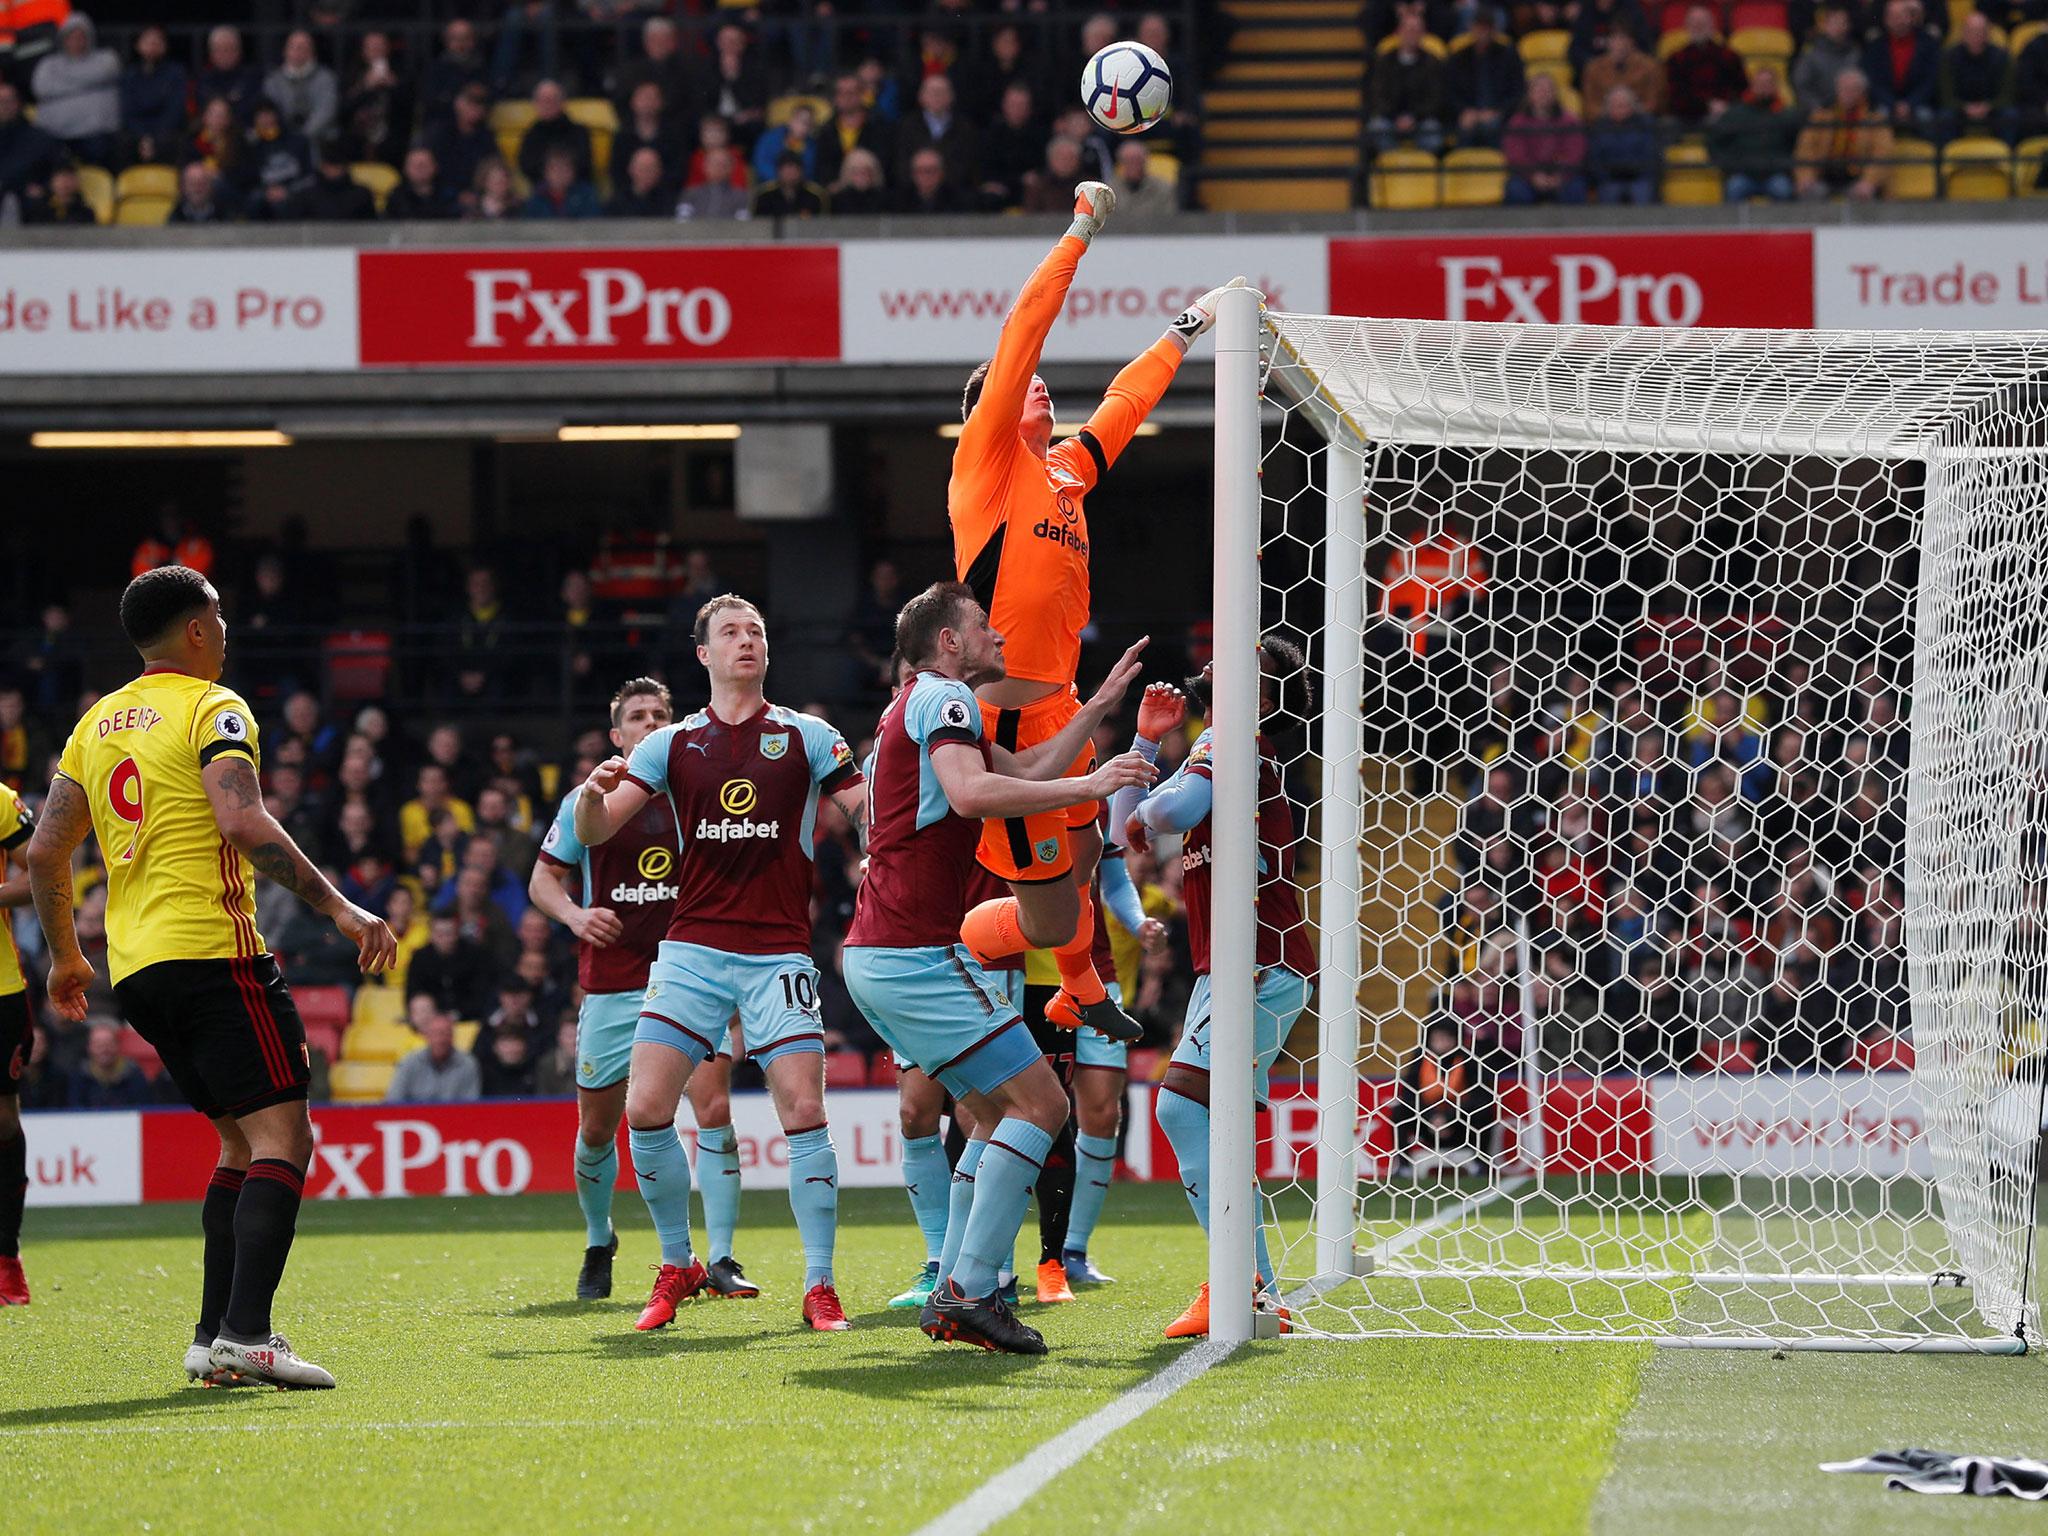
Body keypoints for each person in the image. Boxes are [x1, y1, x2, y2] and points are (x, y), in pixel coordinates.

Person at [28, 565, 396, 1390]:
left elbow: (48, 850)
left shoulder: (94, 724)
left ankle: (212, 1337)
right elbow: (240, 818)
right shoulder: (212, 708)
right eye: (220, 615)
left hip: (138, 968)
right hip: (212, 950)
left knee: (238, 1142)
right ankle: (249, 1334)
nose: (227, 629)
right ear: (196, 629)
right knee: (287, 1139)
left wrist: (65, 956)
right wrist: (342, 909)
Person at [948, 182, 1236, 1047]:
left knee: (1075, 875)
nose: (1037, 386)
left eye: (1041, 385)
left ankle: (1074, 992)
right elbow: (1023, 330)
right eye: (1021, 386)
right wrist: (1079, 232)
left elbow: (1123, 405)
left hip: (1064, 704)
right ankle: (965, 944)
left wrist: (1182, 330)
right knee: (1039, 917)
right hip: (1005, 713)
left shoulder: (1067, 472)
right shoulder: (986, 467)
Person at [844, 584, 1151, 1353]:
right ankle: (970, 1289)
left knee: (988, 1112)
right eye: (984, 625)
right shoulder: (945, 702)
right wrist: (1089, 785)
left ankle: (960, 1279)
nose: (1000, 636)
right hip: (913, 952)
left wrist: (1098, 709)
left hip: (885, 951)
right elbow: (976, 794)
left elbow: (1025, 766)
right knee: (1044, 1105)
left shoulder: (915, 709)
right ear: (948, 642)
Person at [571, 595, 871, 1334]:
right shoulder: (669, 743)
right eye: (732, 633)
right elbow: (597, 828)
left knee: (802, 1110)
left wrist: (890, 835)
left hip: (777, 952)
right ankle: (677, 1263)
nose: (747, 641)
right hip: (693, 950)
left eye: (757, 632)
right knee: (643, 1109)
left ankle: (820, 1285)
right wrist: (589, 797)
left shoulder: (808, 735)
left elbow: (868, 807)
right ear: (703, 655)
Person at [531, 677, 758, 1304]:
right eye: (637, 716)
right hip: (612, 984)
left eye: (661, 713)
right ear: (617, 736)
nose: (651, 723)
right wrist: (576, 917)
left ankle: (720, 1258)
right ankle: (599, 1237)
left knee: (714, 1111)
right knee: (599, 1129)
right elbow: (543, 879)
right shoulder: (590, 799)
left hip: (693, 978)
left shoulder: (696, 794)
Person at [1117, 645, 1318, 1340]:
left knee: (1178, 1109)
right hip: (1233, 967)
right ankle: (1251, 1288)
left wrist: (1158, 786)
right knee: (1213, 1125)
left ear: (1265, 698)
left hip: (1259, 962)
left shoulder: (1236, 747)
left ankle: (1244, 1283)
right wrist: (1144, 740)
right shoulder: (1218, 752)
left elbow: (1169, 814)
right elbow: (1128, 828)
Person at [0, 777, 36, 1304]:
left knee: (4, 1120)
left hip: (0, 988)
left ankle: (6, 1257)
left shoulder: (2, 802)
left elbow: (43, 872)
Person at [31, 14, 121, 167]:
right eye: (71, 37)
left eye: (81, 37)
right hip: (56, 134)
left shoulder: (106, 58)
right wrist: (90, 83)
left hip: (96, 135)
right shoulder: (48, 64)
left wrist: (62, 83)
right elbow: (41, 88)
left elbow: (105, 72)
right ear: (63, 39)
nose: (76, 41)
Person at [1794, 67, 1894, 198]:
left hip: (1858, 177)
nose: (1848, 93)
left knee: (1863, 196)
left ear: (1862, 92)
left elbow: (1883, 153)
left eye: (1854, 89)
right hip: (1823, 175)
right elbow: (1805, 150)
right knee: (1810, 193)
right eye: (1844, 89)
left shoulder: (1875, 120)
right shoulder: (1820, 117)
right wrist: (1806, 178)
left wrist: (1869, 182)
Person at [1709, 65, 1800, 200]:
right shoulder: (1736, 113)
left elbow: (1798, 145)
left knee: (1784, 190)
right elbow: (1714, 140)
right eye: (1760, 83)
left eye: (1768, 83)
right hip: (1743, 175)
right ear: (1752, 85)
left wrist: (1785, 167)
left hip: (1775, 175)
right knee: (1734, 188)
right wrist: (1729, 167)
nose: (1764, 87)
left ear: (1775, 87)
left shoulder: (1785, 114)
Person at [1367, 10, 1449, 154]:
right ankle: (1393, 166)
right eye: (1409, 29)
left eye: (1417, 30)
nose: (1412, 34)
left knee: (1432, 131)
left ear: (1423, 34)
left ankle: (1423, 170)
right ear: (1399, 31)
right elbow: (1377, 95)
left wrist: (1414, 118)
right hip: (1390, 119)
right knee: (1377, 128)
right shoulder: (1384, 61)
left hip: (1422, 120)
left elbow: (1436, 98)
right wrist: (1394, 117)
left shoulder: (1432, 62)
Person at [1503, 73, 1588, 202]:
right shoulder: (1517, 122)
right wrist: (1533, 176)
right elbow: (1516, 156)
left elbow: (1575, 153)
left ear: (1555, 94)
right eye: (1539, 90)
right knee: (1516, 190)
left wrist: (1560, 176)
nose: (1544, 94)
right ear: (1530, 94)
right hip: (1527, 177)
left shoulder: (1570, 121)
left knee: (1576, 188)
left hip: (1562, 176)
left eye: (1548, 90)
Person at [1449, 10, 1526, 147]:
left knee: (1493, 127)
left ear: (1494, 30)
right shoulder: (1459, 58)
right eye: (1479, 27)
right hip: (1468, 115)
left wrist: (1499, 111)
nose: (1483, 32)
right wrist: (1464, 111)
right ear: (1471, 28)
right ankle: (1463, 166)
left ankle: (1497, 166)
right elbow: (1450, 92)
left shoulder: (1509, 56)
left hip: (1499, 115)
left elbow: (1518, 91)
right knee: (1466, 128)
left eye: (1487, 28)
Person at [121, 24, 189, 167]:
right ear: (138, 45)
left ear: (165, 46)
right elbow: (128, 112)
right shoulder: (129, 75)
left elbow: (175, 111)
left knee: (175, 141)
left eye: (157, 42)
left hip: (166, 134)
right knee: (120, 142)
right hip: (137, 135)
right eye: (148, 42)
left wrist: (154, 140)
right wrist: (143, 138)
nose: (152, 46)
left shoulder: (176, 74)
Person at [1585, 84, 1661, 203]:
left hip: (1639, 176)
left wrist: (1637, 171)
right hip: (1610, 178)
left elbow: (1651, 155)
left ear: (1633, 106)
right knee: (1609, 191)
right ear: (1608, 107)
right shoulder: (1599, 126)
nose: (1620, 109)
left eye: (1623, 105)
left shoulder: (1645, 124)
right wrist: (1604, 176)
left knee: (1642, 190)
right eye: (1615, 105)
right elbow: (1595, 158)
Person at [387, 1008, 482, 1103]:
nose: (440, 1040)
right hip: (415, 1117)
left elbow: (470, 1106)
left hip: (455, 1117)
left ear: (452, 1037)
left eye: (445, 1034)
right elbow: (394, 1102)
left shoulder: (468, 1064)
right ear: (426, 1036)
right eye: (435, 1034)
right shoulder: (409, 1062)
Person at [265, 30, 339, 145]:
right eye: (294, 47)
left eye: (304, 48)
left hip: (321, 139)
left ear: (312, 52)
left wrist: (303, 136)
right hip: (282, 139)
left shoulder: (326, 77)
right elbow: (270, 111)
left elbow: (326, 111)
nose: (298, 52)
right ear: (285, 51)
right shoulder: (273, 80)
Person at [521, 144, 601, 218]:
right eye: (555, 168)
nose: (560, 173)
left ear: (573, 172)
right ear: (545, 172)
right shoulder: (536, 198)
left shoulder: (587, 195)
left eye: (565, 168)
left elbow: (594, 225)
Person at [385, 145, 456, 219]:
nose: (420, 169)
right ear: (405, 169)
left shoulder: (448, 195)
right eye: (414, 165)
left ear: (435, 167)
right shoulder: (396, 197)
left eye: (424, 164)